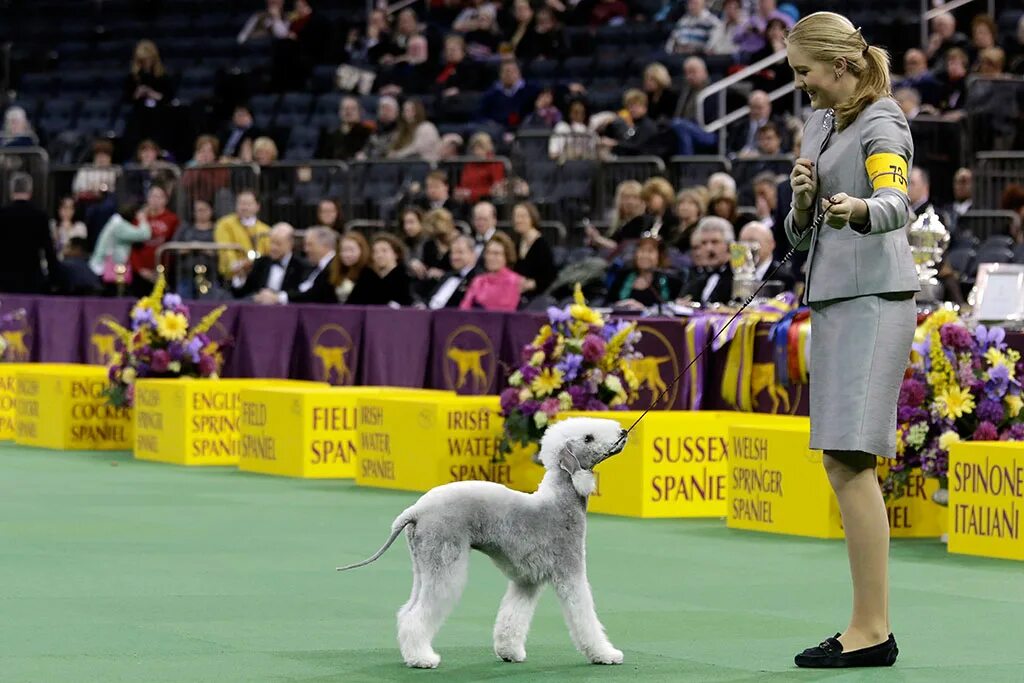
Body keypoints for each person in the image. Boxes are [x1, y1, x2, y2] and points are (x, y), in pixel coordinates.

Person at [784, 12, 919, 668]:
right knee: (841, 462)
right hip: (834, 300)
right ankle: (869, 624)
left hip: (874, 300)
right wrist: (804, 203)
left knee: (852, 460)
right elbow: (800, 238)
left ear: (840, 64)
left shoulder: (882, 120)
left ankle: (872, 629)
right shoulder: (818, 122)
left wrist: (862, 208)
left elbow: (898, 200)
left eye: (804, 71)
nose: (799, 83)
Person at [0, 174, 59, 294]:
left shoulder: (2, 215)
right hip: (32, 278)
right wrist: (55, 278)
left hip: (4, 280)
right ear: (30, 191)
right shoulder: (40, 216)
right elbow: (48, 250)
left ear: (11, 191)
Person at [234, 222, 309, 299]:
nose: (273, 248)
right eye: (271, 243)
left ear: (290, 244)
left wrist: (277, 298)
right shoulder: (260, 263)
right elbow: (242, 293)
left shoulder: (302, 266)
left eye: (278, 244)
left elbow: (301, 295)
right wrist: (241, 276)